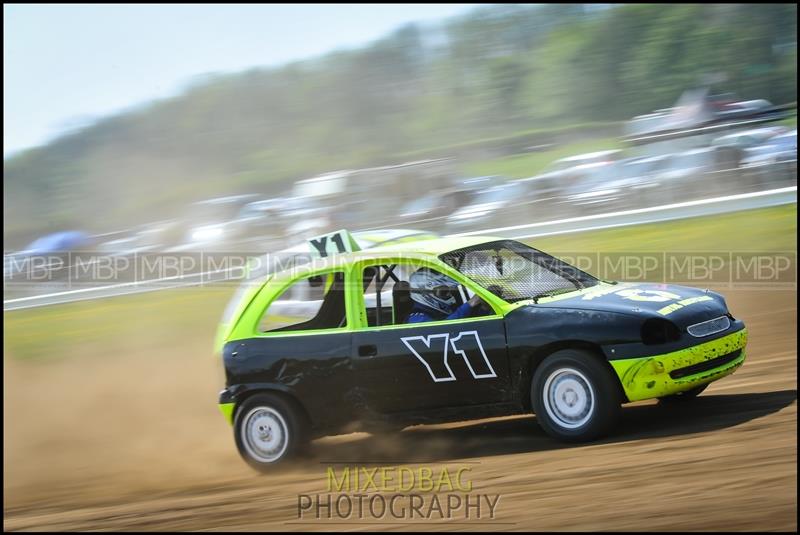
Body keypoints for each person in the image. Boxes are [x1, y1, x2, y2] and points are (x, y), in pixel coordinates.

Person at [407, 268, 485, 323]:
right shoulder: (417, 319)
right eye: (444, 291)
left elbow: (471, 323)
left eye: (451, 290)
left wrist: (484, 308)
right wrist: (470, 304)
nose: (450, 294)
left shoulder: (444, 309)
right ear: (424, 294)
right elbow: (440, 332)